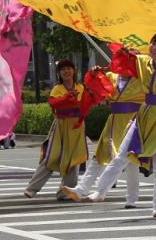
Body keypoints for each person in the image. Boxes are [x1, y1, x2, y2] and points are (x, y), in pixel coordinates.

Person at [81, 31, 156, 217]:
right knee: (122, 154)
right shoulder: (142, 61)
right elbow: (120, 63)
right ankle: (99, 191)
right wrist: (122, 50)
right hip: (144, 114)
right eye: (153, 43)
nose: (155, 48)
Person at [25, 60, 111, 200]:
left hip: (77, 126)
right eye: (63, 69)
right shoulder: (57, 89)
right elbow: (53, 103)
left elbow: (89, 98)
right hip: (61, 125)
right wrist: (67, 97)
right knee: (51, 157)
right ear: (59, 73)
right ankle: (32, 188)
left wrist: (94, 75)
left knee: (74, 160)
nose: (66, 71)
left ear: (74, 70)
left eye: (69, 68)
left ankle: (64, 193)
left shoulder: (80, 87)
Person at [61, 70, 143, 206]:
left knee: (130, 161)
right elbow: (96, 93)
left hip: (132, 122)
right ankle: (81, 189)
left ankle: (130, 198)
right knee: (99, 156)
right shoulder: (111, 76)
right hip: (113, 122)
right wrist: (95, 75)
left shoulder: (141, 77)